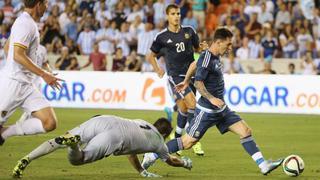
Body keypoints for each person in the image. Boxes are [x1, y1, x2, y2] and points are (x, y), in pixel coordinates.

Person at [142, 27, 283, 175]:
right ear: (218, 42)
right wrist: (211, 98)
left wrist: (185, 80)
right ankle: (153, 154)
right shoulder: (208, 58)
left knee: (245, 131)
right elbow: (199, 83)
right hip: (207, 111)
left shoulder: (212, 55)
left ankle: (263, 165)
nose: (230, 48)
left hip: (222, 110)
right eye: (228, 44)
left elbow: (193, 64)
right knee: (188, 142)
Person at [12, 115, 193, 178]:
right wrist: (184, 163)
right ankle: (74, 146)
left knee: (59, 139)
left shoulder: (142, 122)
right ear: (165, 134)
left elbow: (132, 154)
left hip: (106, 119)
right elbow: (171, 161)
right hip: (116, 137)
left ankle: (26, 158)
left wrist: (141, 171)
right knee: (78, 159)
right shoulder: (159, 143)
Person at [0, 0, 63, 145]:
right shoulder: (25, 24)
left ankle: (4, 133)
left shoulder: (25, 22)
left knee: (49, 122)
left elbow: (7, 48)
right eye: (46, 3)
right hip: (12, 85)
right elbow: (17, 54)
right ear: (38, 4)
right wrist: (43, 74)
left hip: (26, 85)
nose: (47, 7)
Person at [147, 4, 206, 156]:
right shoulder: (161, 37)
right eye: (173, 13)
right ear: (167, 16)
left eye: (178, 13)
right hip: (175, 76)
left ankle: (177, 140)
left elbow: (197, 48)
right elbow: (151, 56)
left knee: (184, 109)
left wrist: (203, 48)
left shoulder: (189, 31)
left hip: (191, 75)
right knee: (193, 103)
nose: (176, 16)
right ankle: (194, 139)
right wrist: (158, 69)